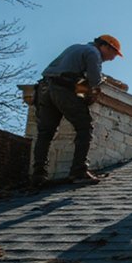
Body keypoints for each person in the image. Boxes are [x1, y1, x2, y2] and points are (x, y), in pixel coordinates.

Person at [31, 34, 123, 186]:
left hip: (44, 89)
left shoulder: (76, 48)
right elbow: (94, 81)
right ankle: (79, 171)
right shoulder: (93, 54)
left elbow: (74, 75)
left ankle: (38, 175)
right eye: (113, 54)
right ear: (104, 46)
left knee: (45, 133)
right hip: (62, 89)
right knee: (84, 127)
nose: (112, 59)